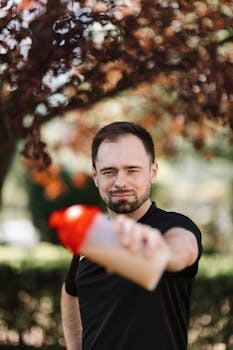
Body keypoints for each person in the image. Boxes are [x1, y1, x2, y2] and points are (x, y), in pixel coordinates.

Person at [60, 121, 202, 350]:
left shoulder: (175, 227)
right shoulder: (93, 237)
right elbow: (70, 292)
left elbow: (182, 250)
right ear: (96, 177)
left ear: (152, 172)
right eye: (109, 171)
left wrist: (160, 251)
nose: (120, 182)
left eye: (132, 170)